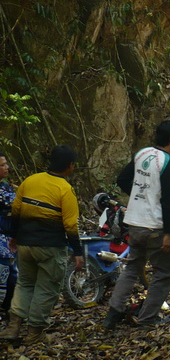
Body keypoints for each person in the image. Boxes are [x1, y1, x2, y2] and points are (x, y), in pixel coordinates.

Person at [102, 120, 170, 330]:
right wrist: (169, 233)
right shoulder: (167, 162)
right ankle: (148, 317)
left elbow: (122, 179)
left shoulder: (142, 153)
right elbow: (168, 200)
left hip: (135, 223)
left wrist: (140, 197)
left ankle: (113, 313)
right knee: (166, 272)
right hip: (155, 226)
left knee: (132, 268)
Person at [0, 145, 83, 344]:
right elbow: (70, 225)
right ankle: (35, 333)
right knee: (47, 288)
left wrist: (15, 236)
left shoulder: (30, 180)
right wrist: (78, 252)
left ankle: (13, 327)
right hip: (50, 247)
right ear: (70, 166)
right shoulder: (65, 189)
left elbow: (16, 211)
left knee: (25, 283)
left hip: (25, 245)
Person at [0, 152, 17, 318]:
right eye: (2, 165)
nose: (6, 167)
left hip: (9, 239)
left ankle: (7, 309)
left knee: (12, 276)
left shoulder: (6, 186)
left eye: (6, 164)